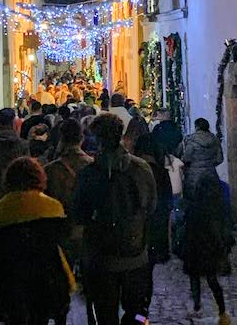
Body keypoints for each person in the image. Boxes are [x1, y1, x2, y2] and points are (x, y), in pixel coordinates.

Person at [74, 113, 157, 325]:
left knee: (105, 313)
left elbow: (80, 215)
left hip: (101, 259)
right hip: (136, 254)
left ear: (97, 139)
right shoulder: (141, 169)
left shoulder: (88, 174)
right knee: (138, 310)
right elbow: (151, 207)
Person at [0, 157, 74, 325]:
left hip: (10, 281)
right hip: (45, 280)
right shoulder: (53, 207)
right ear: (39, 178)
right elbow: (64, 238)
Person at [183, 173, 231, 325]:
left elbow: (187, 227)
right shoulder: (219, 208)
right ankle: (222, 312)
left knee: (194, 278)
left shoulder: (193, 206)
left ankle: (197, 307)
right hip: (211, 249)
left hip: (195, 248)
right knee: (212, 280)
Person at [45, 119, 93, 263]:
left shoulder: (50, 170)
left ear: (62, 139)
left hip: (59, 231)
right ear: (81, 138)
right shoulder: (92, 166)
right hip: (86, 231)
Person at [134, 134, 172, 266]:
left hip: (137, 233)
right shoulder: (161, 172)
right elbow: (168, 202)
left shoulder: (133, 170)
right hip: (157, 221)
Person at [179, 118, 223, 204]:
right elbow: (220, 159)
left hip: (194, 176)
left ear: (196, 127)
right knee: (212, 202)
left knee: (194, 202)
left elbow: (186, 158)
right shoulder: (215, 140)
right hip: (211, 174)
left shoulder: (191, 140)